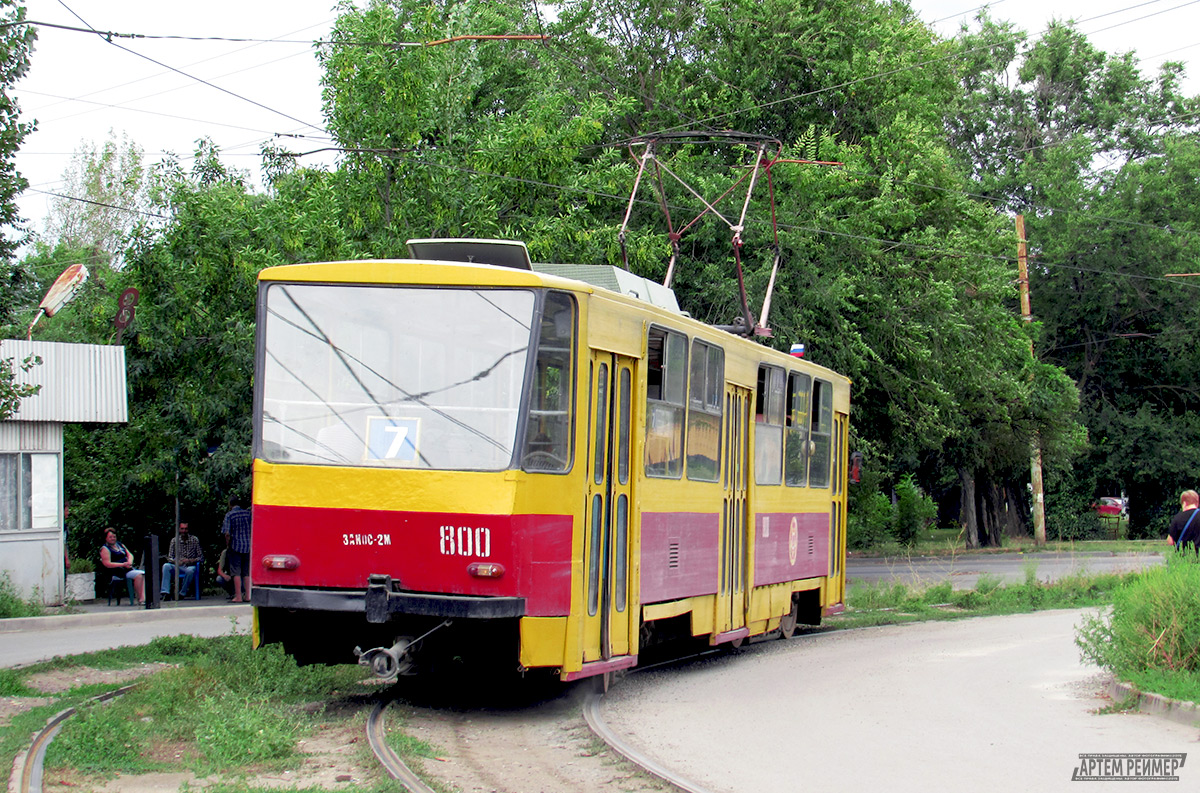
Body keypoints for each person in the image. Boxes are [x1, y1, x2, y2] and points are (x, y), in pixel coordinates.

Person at [99, 528, 145, 604]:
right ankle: (141, 599)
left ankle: (143, 597)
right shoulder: (105, 549)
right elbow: (107, 564)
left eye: (114, 537)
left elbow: (129, 554)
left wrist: (129, 562)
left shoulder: (120, 545)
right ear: (106, 538)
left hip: (128, 569)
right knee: (139, 575)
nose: (113, 539)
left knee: (144, 573)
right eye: (110, 537)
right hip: (117, 572)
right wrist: (123, 564)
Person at [222, 495, 252, 602]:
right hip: (248, 546)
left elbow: (227, 533)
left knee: (236, 572)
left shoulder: (229, 515)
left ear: (230, 504)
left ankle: (238, 596)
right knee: (246, 572)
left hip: (235, 546)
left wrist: (228, 545)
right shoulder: (248, 514)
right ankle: (248, 596)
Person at [160, 522, 202, 599]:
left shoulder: (194, 540)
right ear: (179, 529)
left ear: (188, 530)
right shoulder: (174, 540)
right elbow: (170, 557)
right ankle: (165, 592)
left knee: (190, 571)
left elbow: (200, 557)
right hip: (177, 566)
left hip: (189, 566)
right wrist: (176, 562)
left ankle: (182, 593)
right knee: (166, 566)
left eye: (186, 529)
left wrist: (189, 560)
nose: (184, 531)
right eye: (182, 529)